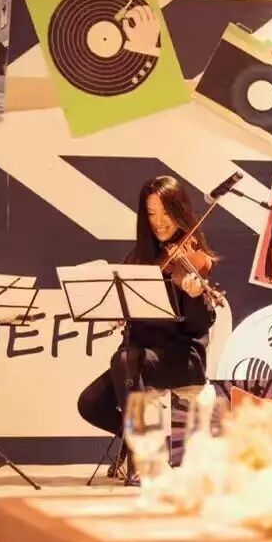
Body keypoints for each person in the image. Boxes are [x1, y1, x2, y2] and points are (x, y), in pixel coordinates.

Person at [77, 176, 217, 484]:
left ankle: (141, 457)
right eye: (152, 214)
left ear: (179, 211)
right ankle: (140, 442)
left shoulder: (193, 258)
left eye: (166, 213)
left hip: (181, 356)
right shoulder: (138, 257)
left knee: (125, 359)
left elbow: (199, 326)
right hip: (138, 357)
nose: (159, 222)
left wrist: (196, 298)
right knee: (90, 403)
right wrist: (119, 310)